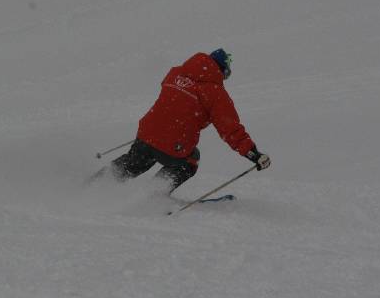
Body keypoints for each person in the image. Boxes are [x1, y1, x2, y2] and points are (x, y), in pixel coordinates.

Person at [93, 48, 270, 193]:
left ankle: (94, 185)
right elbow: (230, 129)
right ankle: (151, 196)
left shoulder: (175, 73)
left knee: (135, 162)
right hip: (174, 143)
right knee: (190, 160)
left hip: (147, 133)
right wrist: (253, 154)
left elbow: (174, 101)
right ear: (222, 70)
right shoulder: (216, 93)